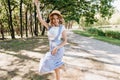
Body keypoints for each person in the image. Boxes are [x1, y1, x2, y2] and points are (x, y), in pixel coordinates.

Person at [34, 0, 67, 80]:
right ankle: (61, 66)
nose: (55, 20)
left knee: (51, 65)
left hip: (58, 49)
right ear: (51, 19)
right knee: (55, 68)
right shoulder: (49, 27)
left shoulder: (62, 27)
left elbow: (65, 40)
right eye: (53, 19)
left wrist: (57, 47)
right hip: (52, 48)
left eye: (57, 18)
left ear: (59, 19)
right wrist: (37, 6)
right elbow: (40, 19)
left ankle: (61, 65)